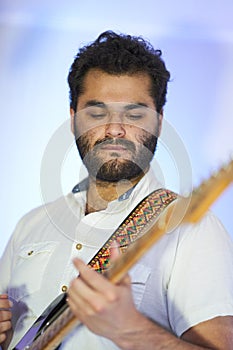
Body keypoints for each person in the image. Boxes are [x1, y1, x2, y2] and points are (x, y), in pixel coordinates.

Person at [0, 30, 233, 350]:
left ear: (159, 122)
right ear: (73, 119)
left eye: (135, 114)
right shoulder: (30, 224)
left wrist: (131, 330)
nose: (114, 129)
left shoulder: (192, 228)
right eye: (97, 113)